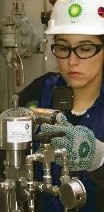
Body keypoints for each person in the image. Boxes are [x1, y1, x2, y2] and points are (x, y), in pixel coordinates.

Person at [19, 0, 104, 211]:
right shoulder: (39, 92)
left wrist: (98, 158)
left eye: (85, 48)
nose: (72, 61)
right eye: (63, 47)